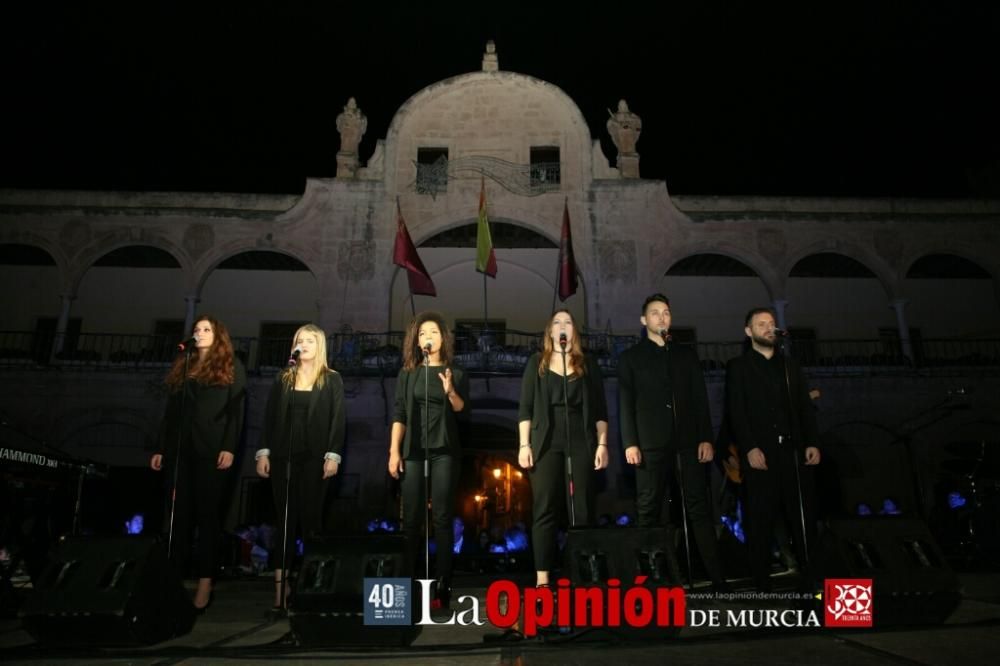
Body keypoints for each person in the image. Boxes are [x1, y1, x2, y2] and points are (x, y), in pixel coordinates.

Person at [618, 294, 728, 592]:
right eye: (655, 313)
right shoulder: (630, 358)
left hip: (688, 443)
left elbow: (699, 400)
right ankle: (646, 578)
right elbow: (625, 404)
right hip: (649, 443)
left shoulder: (684, 356)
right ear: (644, 321)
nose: (661, 317)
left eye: (666, 312)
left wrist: (705, 436)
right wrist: (630, 442)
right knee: (648, 509)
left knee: (698, 507)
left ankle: (716, 577)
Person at [151, 315, 246, 611]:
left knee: (207, 517)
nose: (200, 333)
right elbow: (171, 412)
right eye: (197, 330)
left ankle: (206, 582)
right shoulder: (184, 368)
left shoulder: (231, 366)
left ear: (218, 336)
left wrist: (229, 446)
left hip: (212, 449)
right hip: (181, 450)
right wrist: (161, 448)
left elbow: (236, 409)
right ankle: (171, 580)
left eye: (207, 329)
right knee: (177, 517)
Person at [725, 307, 821, 592]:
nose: (768, 328)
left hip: (792, 452)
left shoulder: (790, 367)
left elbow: (804, 408)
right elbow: (736, 412)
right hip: (760, 455)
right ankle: (762, 579)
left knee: (801, 514)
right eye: (761, 324)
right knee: (761, 518)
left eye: (771, 324)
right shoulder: (739, 367)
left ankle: (810, 573)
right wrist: (749, 447)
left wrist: (812, 442)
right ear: (748, 331)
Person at [255, 324, 345, 610]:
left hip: (315, 458)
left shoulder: (331, 380)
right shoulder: (284, 378)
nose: (303, 344)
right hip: (283, 457)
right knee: (284, 521)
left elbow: (338, 420)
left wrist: (333, 455)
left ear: (320, 346)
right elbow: (269, 417)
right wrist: (263, 452)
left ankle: (313, 584)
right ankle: (280, 592)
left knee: (311, 521)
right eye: (299, 340)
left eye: (309, 340)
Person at [518, 309, 609, 589]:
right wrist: (524, 444)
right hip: (545, 439)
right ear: (550, 332)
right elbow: (526, 408)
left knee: (581, 507)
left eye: (568, 322)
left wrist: (602, 444)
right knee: (544, 509)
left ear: (574, 332)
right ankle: (543, 578)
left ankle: (582, 573)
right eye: (557, 322)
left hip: (580, 439)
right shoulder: (537, 363)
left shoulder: (588, 364)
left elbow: (600, 410)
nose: (562, 326)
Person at [387, 311, 468, 606]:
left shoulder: (454, 373)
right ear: (415, 341)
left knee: (442, 518)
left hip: (444, 451)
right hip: (413, 452)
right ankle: (407, 586)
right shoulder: (407, 374)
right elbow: (399, 413)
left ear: (442, 338)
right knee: (411, 520)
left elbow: (461, 410)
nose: (427, 338)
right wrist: (394, 451)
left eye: (432, 332)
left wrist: (450, 391)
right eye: (422, 334)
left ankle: (442, 585)